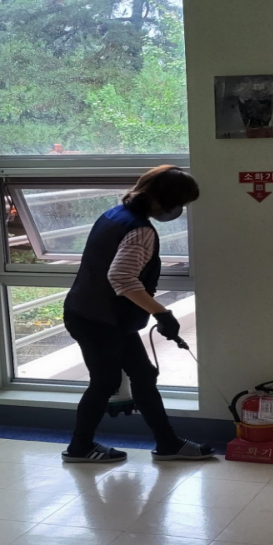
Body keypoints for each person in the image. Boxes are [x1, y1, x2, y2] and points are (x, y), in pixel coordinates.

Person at [61, 165, 215, 462]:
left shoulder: (114, 214)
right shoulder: (140, 230)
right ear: (166, 200)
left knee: (143, 374)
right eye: (181, 203)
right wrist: (162, 314)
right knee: (104, 382)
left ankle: (168, 443)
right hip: (100, 320)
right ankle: (79, 448)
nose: (180, 209)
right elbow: (121, 278)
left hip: (95, 314)